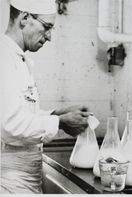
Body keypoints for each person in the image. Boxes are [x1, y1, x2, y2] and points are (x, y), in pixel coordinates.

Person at [0, 0, 91, 194]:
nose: (49, 37)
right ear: (25, 18)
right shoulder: (4, 60)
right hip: (9, 184)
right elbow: (9, 125)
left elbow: (20, 112)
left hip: (23, 181)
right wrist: (59, 122)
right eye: (47, 27)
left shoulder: (18, 59)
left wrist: (55, 113)